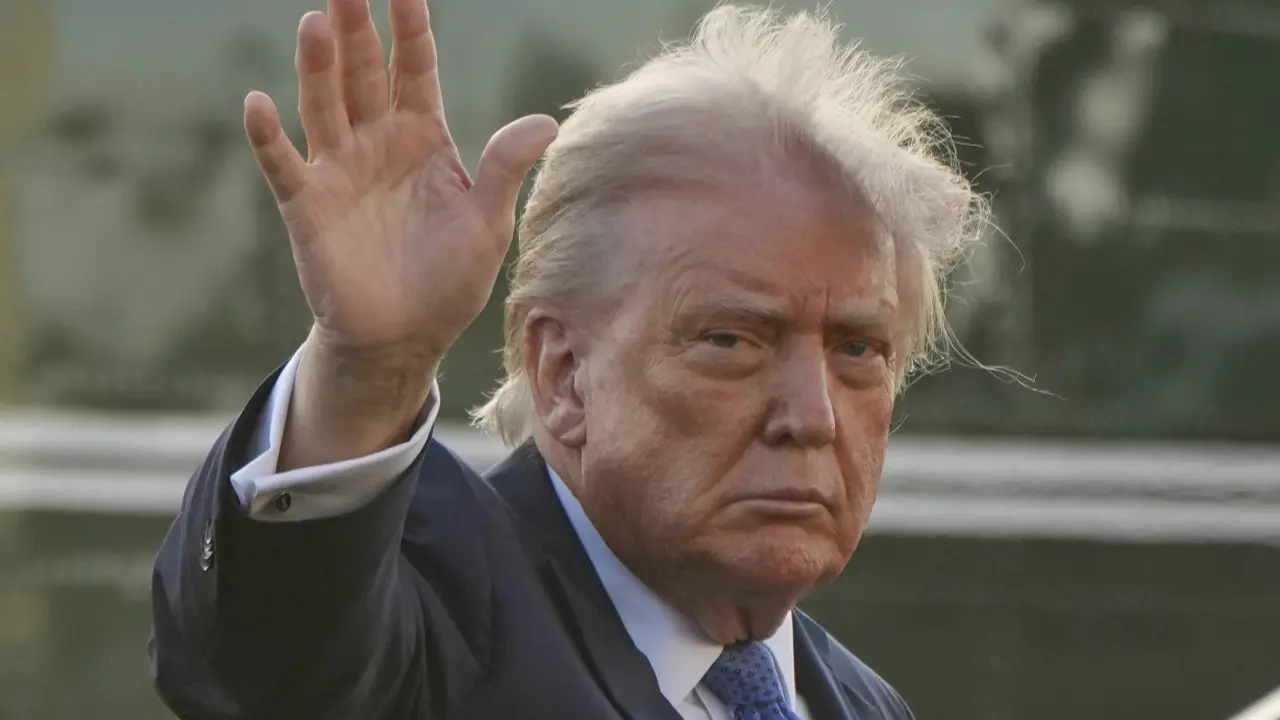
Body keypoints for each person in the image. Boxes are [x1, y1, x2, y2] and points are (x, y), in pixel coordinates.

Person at [149, 0, 986, 717]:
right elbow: (275, 654)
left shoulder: (861, 702)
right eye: (732, 340)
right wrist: (369, 372)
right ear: (563, 375)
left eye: (858, 349)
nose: (812, 416)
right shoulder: (435, 600)